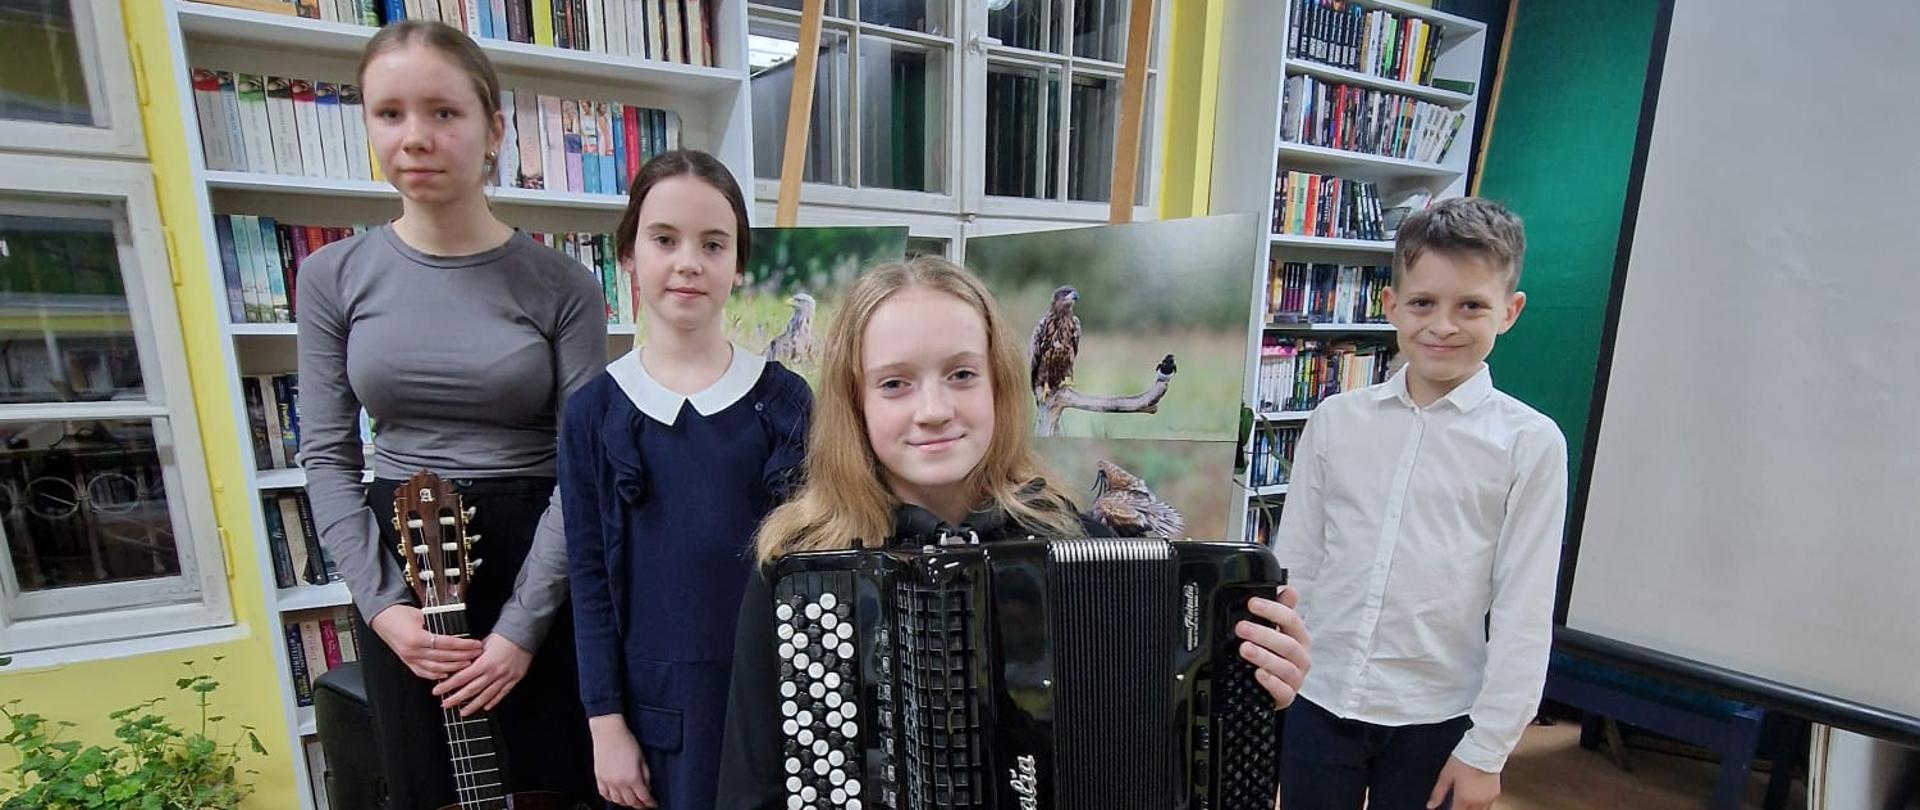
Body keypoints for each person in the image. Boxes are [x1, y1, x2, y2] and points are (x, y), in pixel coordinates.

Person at [712, 257, 1313, 808]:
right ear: (854, 402)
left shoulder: (1081, 544)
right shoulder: (805, 574)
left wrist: (1247, 698)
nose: (933, 409)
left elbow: (1175, 746)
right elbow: (751, 787)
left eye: (961, 375)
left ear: (999, 385)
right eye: (894, 383)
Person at [295, 20, 601, 810]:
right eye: (389, 114)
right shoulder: (331, 276)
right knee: (428, 787)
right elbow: (327, 455)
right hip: (405, 573)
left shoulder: (564, 285)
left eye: (443, 113)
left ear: (493, 129)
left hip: (537, 564)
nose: (415, 138)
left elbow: (582, 468)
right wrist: (384, 608)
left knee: (550, 781)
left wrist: (520, 631)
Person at [1271, 196, 1568, 810]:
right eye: (1423, 303)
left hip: (1436, 716)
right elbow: (1297, 562)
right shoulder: (1336, 420)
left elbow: (1524, 606)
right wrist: (1277, 684)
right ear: (1391, 306)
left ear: (1509, 312)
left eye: (1471, 306)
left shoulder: (1529, 443)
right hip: (1319, 697)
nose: (1443, 326)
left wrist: (1487, 750)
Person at [558, 150, 813, 810]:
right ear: (627, 256)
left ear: (739, 264)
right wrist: (604, 722)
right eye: (664, 239)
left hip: (774, 704)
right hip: (654, 718)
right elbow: (588, 577)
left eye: (713, 244)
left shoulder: (786, 403)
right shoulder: (595, 413)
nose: (688, 262)